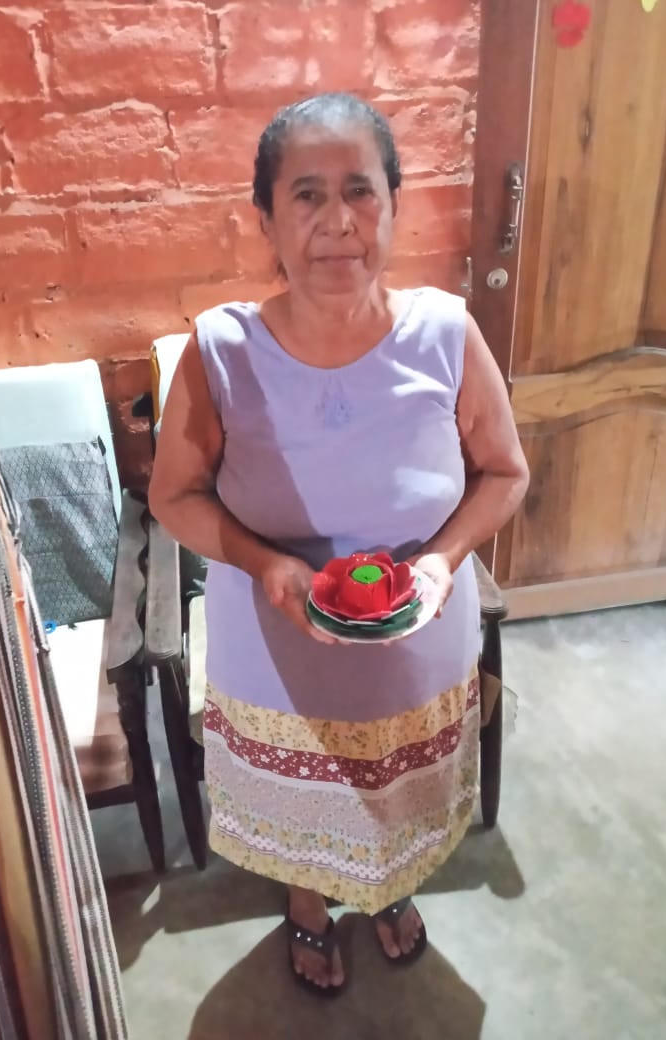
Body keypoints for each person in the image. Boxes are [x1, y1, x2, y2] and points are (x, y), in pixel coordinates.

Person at [149, 92, 529, 996]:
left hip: (414, 652)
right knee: (307, 813)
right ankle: (308, 904)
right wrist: (268, 564)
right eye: (307, 195)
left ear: (393, 205)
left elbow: (504, 474)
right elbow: (173, 496)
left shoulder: (446, 335)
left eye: (360, 190)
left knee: (396, 803)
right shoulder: (223, 351)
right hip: (277, 653)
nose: (337, 221)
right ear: (267, 221)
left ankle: (389, 890)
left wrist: (441, 560)